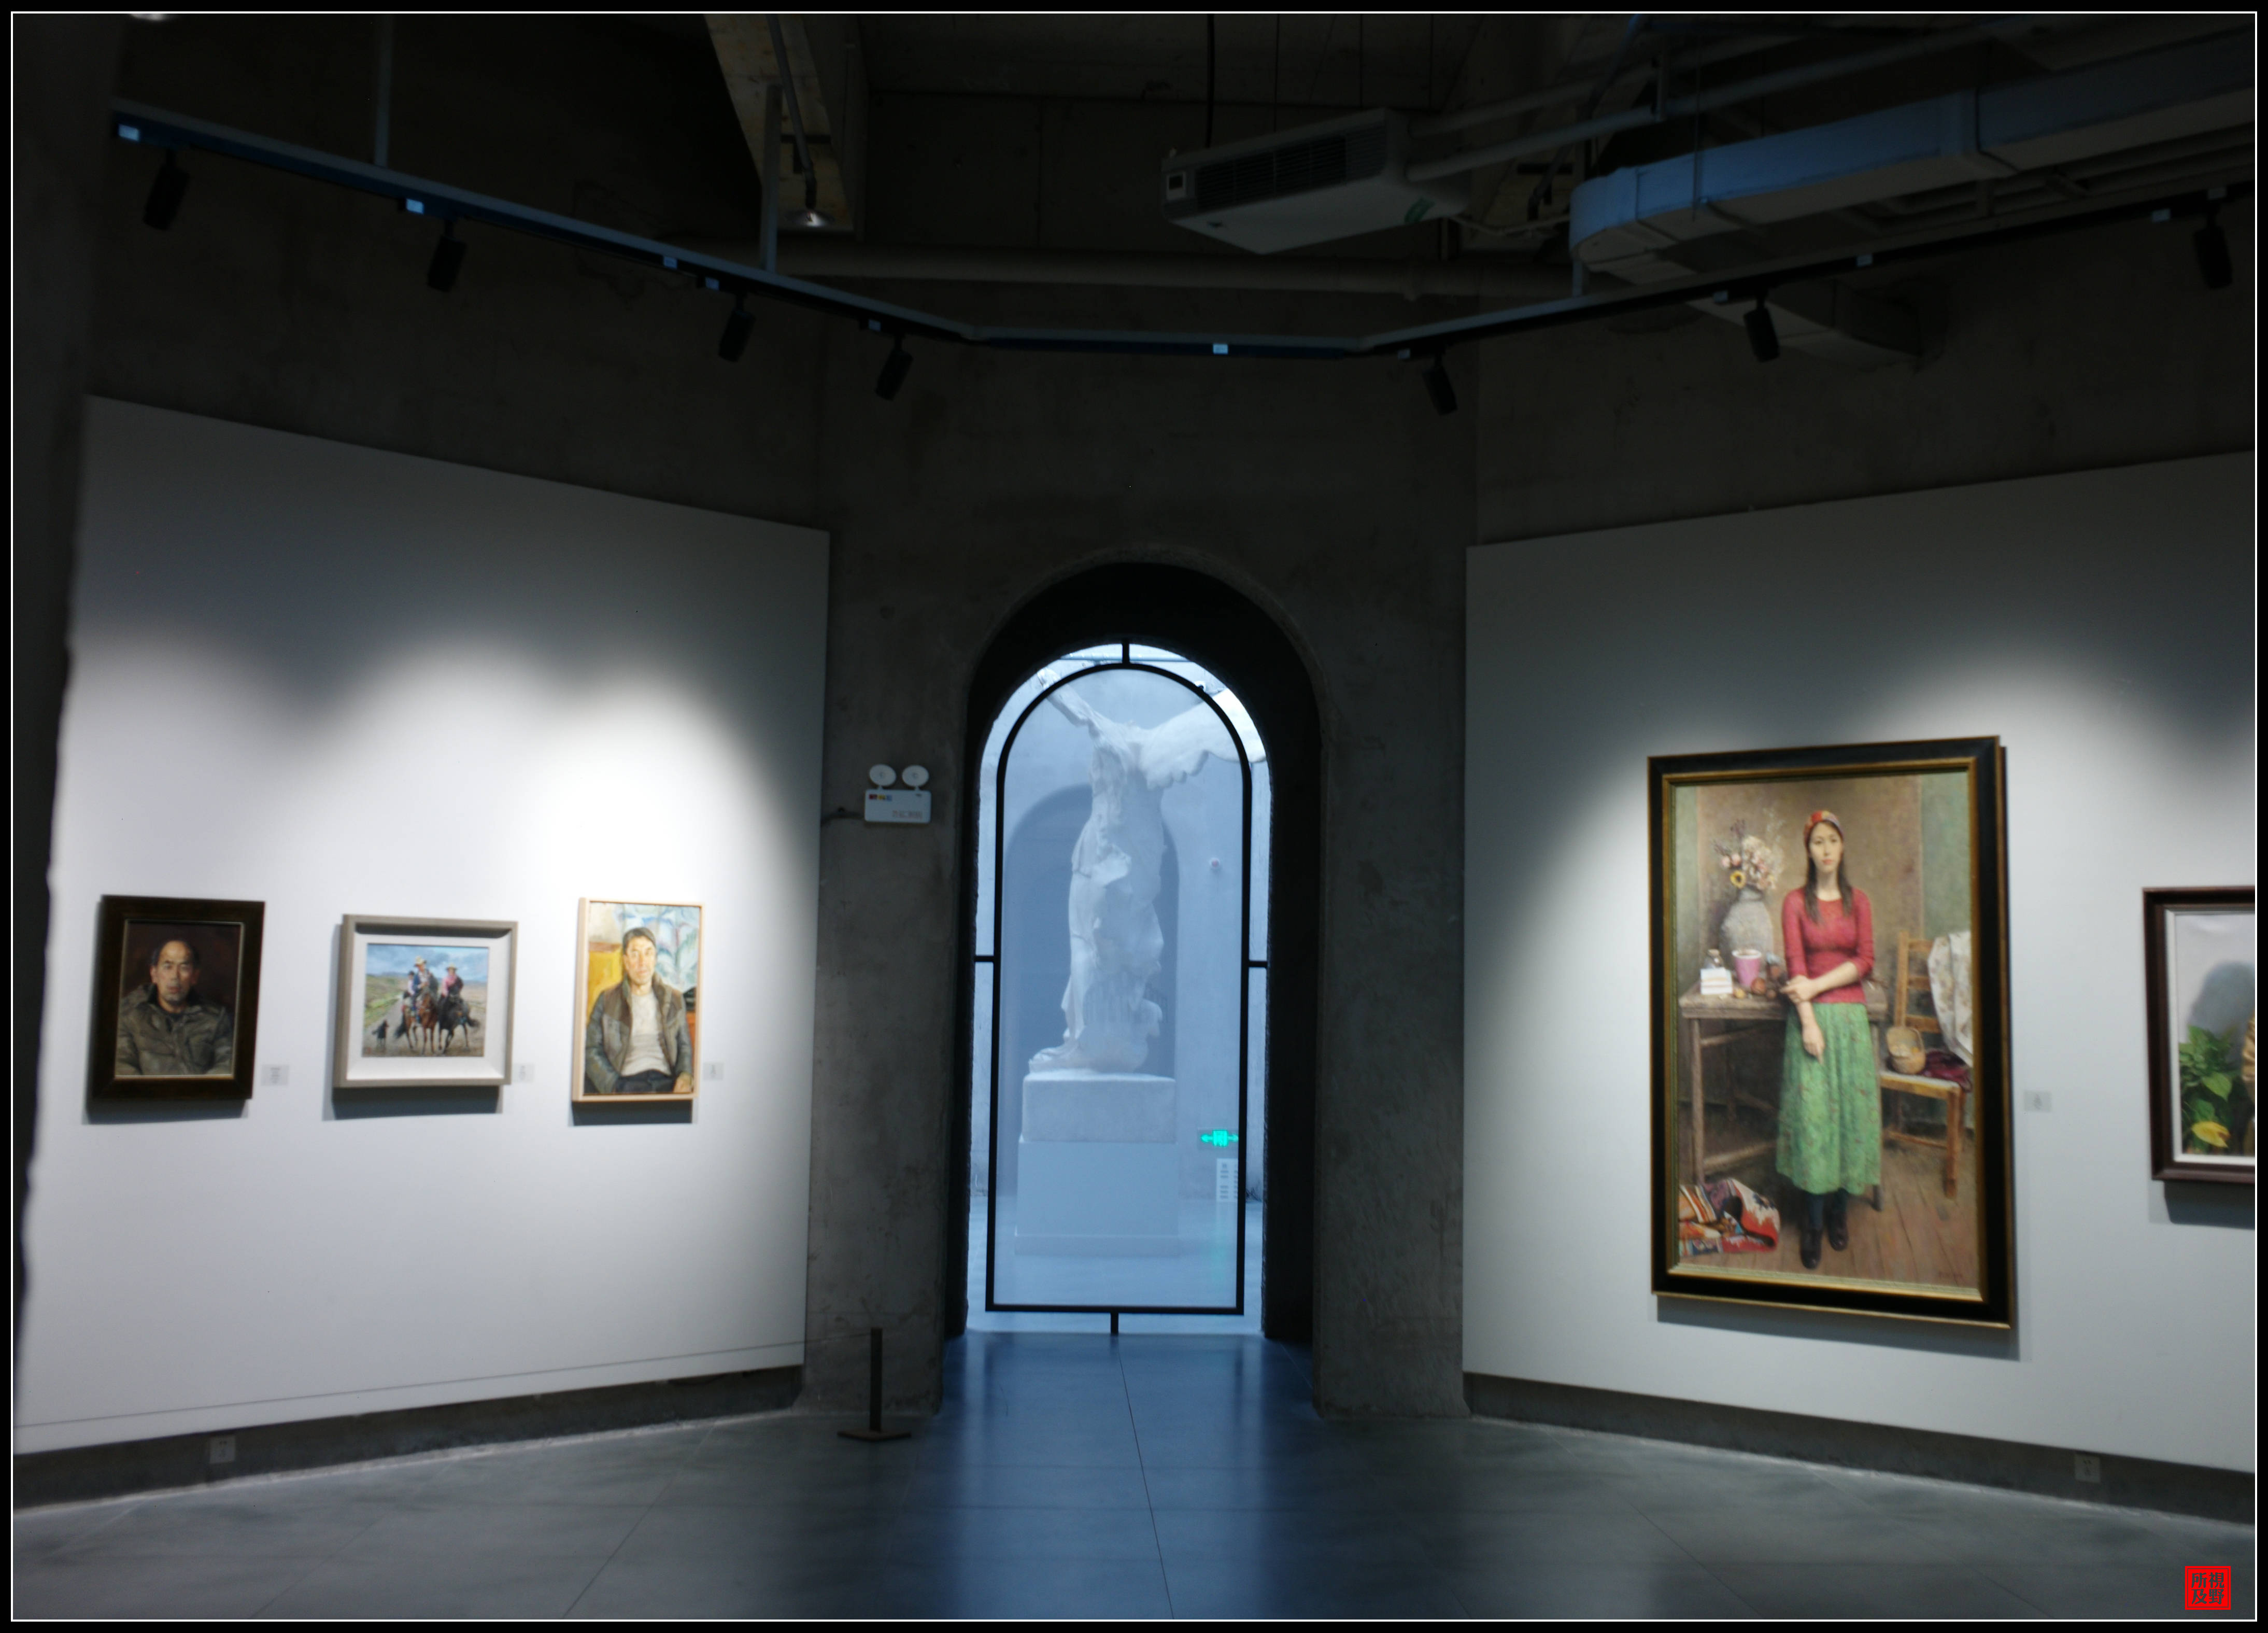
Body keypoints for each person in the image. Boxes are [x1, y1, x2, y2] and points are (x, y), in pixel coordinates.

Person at [1776, 810, 1877, 1270]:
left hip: (1851, 1023)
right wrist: (1809, 1021)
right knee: (1816, 1121)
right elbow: (1796, 964)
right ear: (1809, 849)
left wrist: (1818, 986)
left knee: (1848, 1119)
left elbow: (1866, 960)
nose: (1826, 849)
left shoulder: (1861, 902)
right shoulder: (1795, 903)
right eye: (1818, 841)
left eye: (1832, 840)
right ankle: (1813, 1223)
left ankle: (1839, 1214)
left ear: (1843, 845)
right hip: (1812, 1022)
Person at [583, 925, 693, 1095]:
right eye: (635, 954)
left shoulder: (674, 1000)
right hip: (625, 1083)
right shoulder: (607, 1000)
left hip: (665, 1082)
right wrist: (613, 1085)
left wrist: (685, 1076)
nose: (643, 962)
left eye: (648, 953)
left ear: (655, 959)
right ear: (626, 962)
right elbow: (591, 1049)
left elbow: (684, 1047)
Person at [115, 936, 234, 1076]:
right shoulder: (129, 1014)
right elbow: (122, 1067)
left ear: (194, 976)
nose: (175, 976)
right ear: (154, 974)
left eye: (184, 968)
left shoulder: (216, 1018)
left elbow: (227, 1066)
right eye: (168, 967)